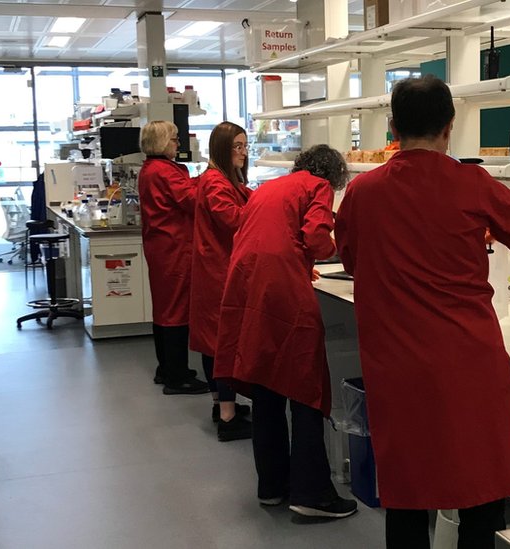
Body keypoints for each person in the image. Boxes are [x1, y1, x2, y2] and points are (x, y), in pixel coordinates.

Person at [334, 75, 510, 549]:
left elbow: (350, 258)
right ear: (450, 127)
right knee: (479, 498)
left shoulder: (363, 192)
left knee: (406, 496)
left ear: (392, 128)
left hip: (396, 365)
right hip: (467, 362)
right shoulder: (473, 185)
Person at [214, 144, 358, 520]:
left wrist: (295, 262)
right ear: (332, 175)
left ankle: (272, 486)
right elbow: (314, 238)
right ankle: (312, 494)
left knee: (266, 384)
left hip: (248, 286)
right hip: (281, 290)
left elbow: (266, 238)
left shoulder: (270, 188)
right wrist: (340, 245)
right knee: (305, 384)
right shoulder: (317, 187)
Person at [189, 121, 253, 442]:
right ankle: (228, 417)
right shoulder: (216, 183)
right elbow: (233, 218)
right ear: (222, 150)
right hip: (220, 271)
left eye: (245, 145)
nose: (243, 152)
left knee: (213, 341)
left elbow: (245, 197)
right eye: (237, 147)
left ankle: (220, 405)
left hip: (214, 268)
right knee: (223, 342)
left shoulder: (221, 178)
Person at [137, 120, 211, 395]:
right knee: (176, 312)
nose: (178, 144)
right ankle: (177, 377)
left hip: (162, 248)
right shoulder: (164, 172)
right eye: (174, 139)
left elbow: (182, 189)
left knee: (164, 309)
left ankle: (165, 368)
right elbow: (191, 200)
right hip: (175, 249)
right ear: (160, 142)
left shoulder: (154, 169)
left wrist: (199, 178)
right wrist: (210, 178)